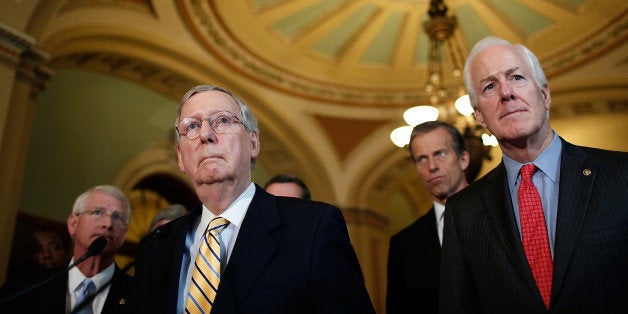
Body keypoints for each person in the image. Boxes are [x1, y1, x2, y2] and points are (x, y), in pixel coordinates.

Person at [131, 85, 374, 313]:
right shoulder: (155, 247)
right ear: (181, 157)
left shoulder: (313, 227)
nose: (205, 134)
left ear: (253, 142)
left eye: (223, 120)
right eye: (192, 126)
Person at [439, 36, 628, 314]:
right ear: (479, 116)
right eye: (490, 86)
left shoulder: (621, 176)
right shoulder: (463, 212)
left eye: (516, 77)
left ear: (544, 95)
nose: (506, 93)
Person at [0, 185, 133, 313]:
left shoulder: (141, 297)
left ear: (124, 235)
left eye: (117, 217)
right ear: (73, 224)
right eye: (97, 212)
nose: (108, 223)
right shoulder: (22, 291)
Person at [386, 121, 469, 314]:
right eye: (422, 159)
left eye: (440, 154)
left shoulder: (499, 216)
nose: (432, 166)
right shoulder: (404, 244)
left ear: (463, 158)